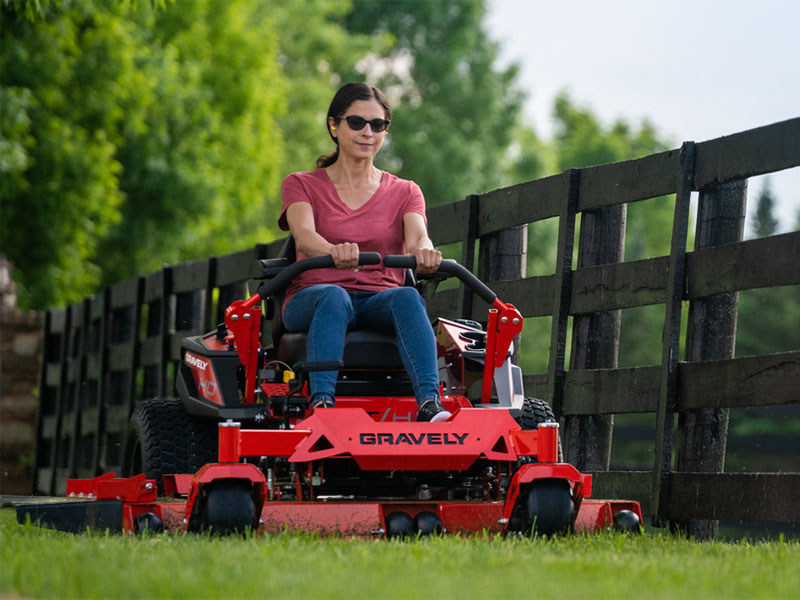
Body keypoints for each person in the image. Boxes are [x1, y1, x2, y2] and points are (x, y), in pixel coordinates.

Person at [278, 82, 451, 423]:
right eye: (356, 123)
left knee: (407, 297)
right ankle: (323, 405)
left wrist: (426, 253)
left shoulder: (406, 191)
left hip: (377, 299)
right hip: (313, 297)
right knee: (334, 297)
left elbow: (419, 238)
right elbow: (304, 236)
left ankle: (430, 405)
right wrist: (333, 250)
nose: (367, 132)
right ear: (334, 126)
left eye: (378, 124)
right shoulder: (301, 183)